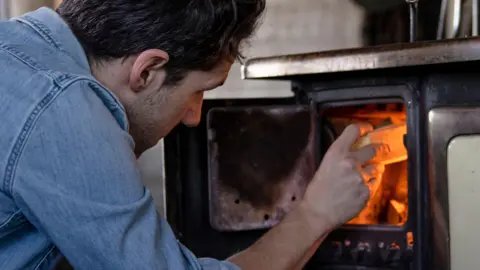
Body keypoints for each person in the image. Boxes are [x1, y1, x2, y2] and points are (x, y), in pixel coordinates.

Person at [0, 1, 385, 269]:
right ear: (147, 71)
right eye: (198, 91)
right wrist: (316, 213)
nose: (194, 117)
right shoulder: (64, 111)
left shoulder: (19, 49)